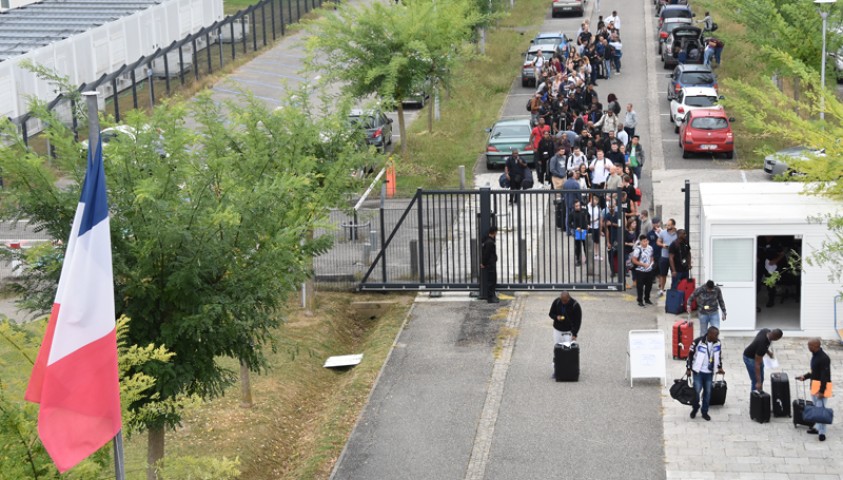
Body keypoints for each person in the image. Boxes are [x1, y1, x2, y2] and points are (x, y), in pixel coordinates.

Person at [796, 338, 833, 442]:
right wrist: (805, 376)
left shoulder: (824, 358)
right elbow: (814, 371)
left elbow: (825, 376)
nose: (808, 348)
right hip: (815, 385)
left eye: (810, 346)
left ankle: (822, 433)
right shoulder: (815, 356)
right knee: (817, 408)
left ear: (816, 346)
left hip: (821, 387)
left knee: (820, 410)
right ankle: (817, 427)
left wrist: (822, 391)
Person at [686, 326, 725, 421]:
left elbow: (719, 356)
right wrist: (688, 368)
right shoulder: (697, 342)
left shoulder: (718, 343)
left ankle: (704, 412)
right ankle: (695, 408)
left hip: (709, 373)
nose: (717, 337)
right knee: (696, 392)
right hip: (698, 372)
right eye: (716, 335)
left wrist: (719, 367)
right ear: (709, 334)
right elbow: (690, 355)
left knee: (708, 393)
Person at [743, 328, 784, 394]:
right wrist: (759, 382)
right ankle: (755, 399)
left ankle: (759, 392)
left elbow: (764, 346)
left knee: (761, 378)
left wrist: (768, 353)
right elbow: (757, 365)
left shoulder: (766, 331)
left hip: (756, 355)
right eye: (778, 339)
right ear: (776, 338)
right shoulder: (762, 345)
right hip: (750, 359)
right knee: (756, 381)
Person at [632, 234, 655, 307]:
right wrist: (643, 264)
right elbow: (634, 260)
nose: (645, 242)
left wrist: (651, 263)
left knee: (649, 286)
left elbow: (651, 257)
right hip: (640, 271)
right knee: (640, 287)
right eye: (644, 241)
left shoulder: (650, 248)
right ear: (641, 242)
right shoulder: (637, 249)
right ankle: (640, 300)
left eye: (646, 241)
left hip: (649, 270)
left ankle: (647, 299)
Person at [657, 219, 678, 296]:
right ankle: (662, 289)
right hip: (664, 256)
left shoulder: (677, 234)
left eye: (669, 225)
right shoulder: (663, 233)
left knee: (674, 273)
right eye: (667, 225)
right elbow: (658, 242)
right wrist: (663, 245)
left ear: (673, 225)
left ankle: (674, 289)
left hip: (674, 257)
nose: (667, 226)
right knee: (663, 274)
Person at [481, 227, 499, 303]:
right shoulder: (489, 242)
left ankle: (492, 296)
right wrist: (483, 263)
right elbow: (486, 254)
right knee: (491, 281)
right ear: (494, 233)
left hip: (491, 263)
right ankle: (490, 298)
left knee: (493, 280)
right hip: (490, 264)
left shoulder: (489, 241)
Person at [569, 199, 589, 266]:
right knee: (577, 246)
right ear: (574, 206)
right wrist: (574, 228)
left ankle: (588, 258)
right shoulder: (572, 213)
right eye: (576, 206)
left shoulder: (584, 211)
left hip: (584, 230)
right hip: (577, 232)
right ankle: (578, 260)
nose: (578, 207)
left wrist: (588, 224)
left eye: (579, 205)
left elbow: (588, 217)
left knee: (586, 245)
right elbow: (569, 223)